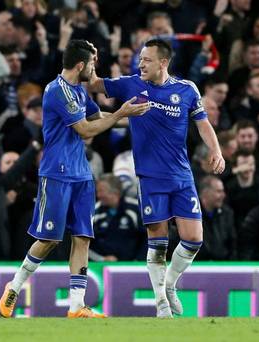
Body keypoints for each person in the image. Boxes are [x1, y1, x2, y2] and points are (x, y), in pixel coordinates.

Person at [0, 39, 149, 319]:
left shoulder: (78, 91)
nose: (95, 68)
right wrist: (121, 113)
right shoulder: (57, 91)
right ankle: (15, 284)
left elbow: (98, 115)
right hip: (56, 174)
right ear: (81, 65)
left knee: (82, 237)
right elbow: (84, 129)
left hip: (82, 175)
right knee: (49, 239)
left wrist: (139, 117)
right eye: (92, 63)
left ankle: (76, 306)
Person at [87, 38, 225, 317]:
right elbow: (94, 84)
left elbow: (203, 124)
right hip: (150, 178)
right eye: (140, 59)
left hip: (182, 176)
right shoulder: (131, 84)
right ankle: (161, 302)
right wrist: (88, 60)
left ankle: (170, 285)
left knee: (194, 239)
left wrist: (216, 151)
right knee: (158, 243)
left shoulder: (187, 90)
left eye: (147, 60)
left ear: (163, 62)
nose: (141, 64)